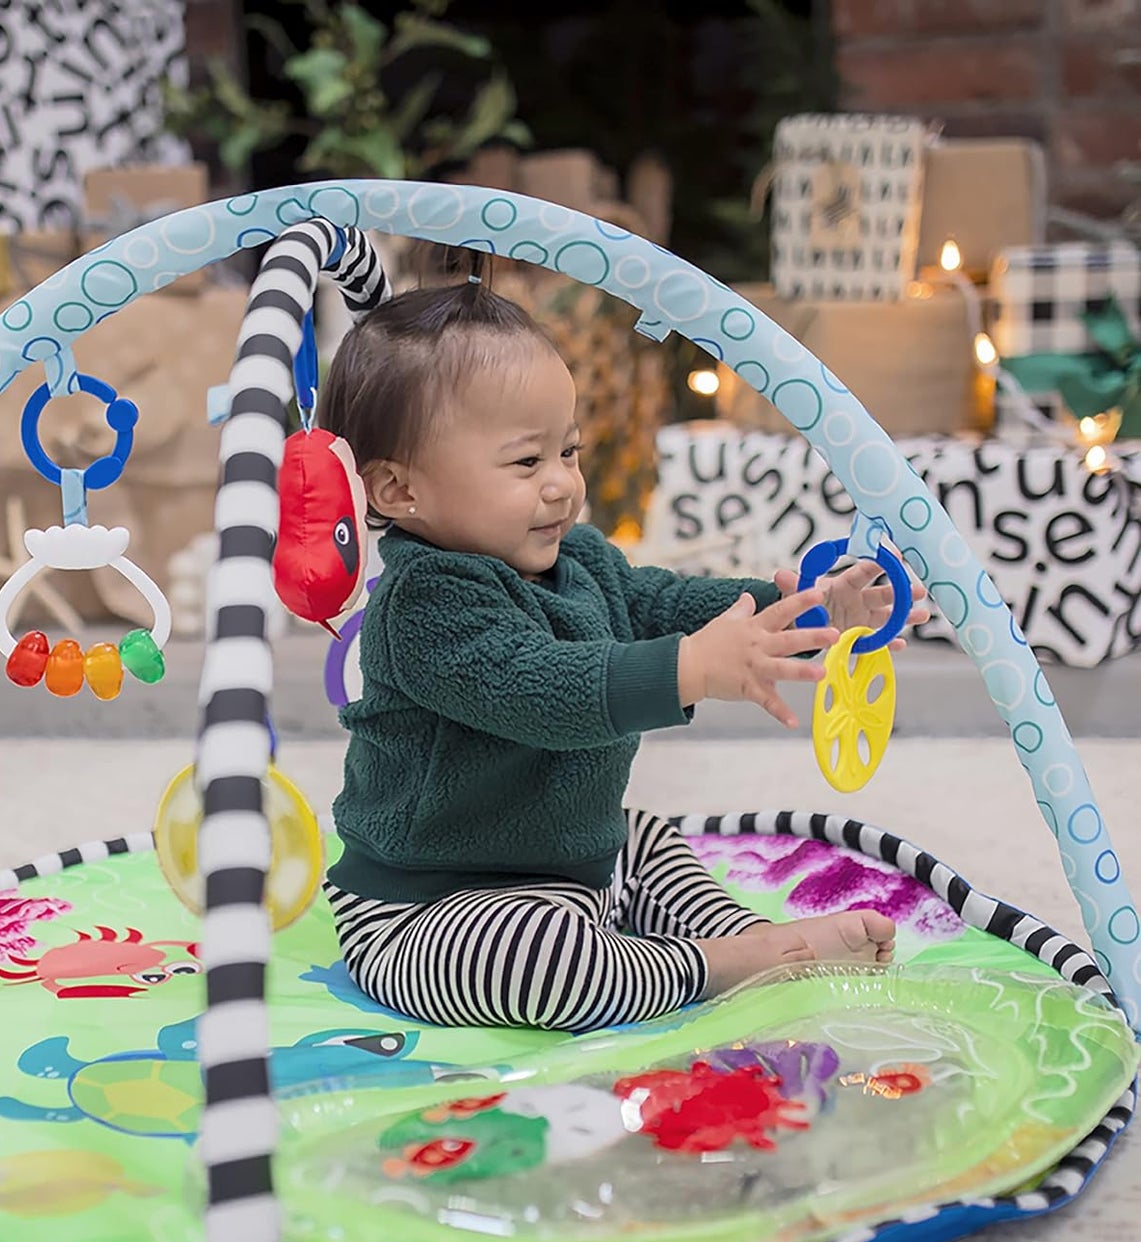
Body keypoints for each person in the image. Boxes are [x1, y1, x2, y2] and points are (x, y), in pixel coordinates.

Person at [316, 275, 928, 1032]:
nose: (561, 486)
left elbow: (661, 603)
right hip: (431, 901)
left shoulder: (579, 558)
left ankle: (740, 935)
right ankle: (713, 966)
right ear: (398, 490)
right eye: (524, 463)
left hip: (578, 863)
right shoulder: (425, 604)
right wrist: (689, 669)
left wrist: (803, 611)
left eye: (567, 451)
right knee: (538, 961)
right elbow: (540, 690)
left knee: (647, 839)